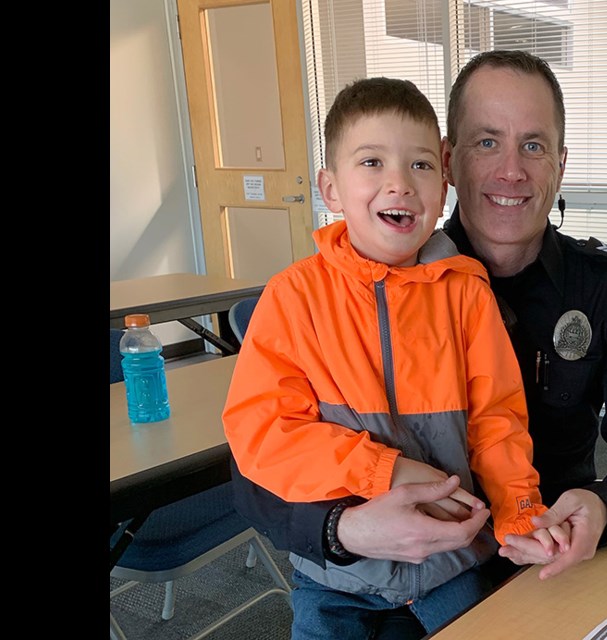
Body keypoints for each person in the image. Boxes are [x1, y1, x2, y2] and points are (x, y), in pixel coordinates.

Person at [229, 49, 607, 637]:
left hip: (536, 561)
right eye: (488, 142)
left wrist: (606, 506)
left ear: (560, 164)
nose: (512, 170)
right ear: (453, 161)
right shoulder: (316, 292)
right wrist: (344, 527)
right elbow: (258, 458)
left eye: (533, 146)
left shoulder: (602, 289)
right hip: (350, 570)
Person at [221, 76, 567, 640]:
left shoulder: (465, 292)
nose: (400, 184)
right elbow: (263, 432)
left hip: (454, 562)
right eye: (372, 162)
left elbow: (497, 421)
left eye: (421, 165)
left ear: (445, 181)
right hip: (336, 578)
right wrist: (385, 471)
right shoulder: (292, 296)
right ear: (330, 189)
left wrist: (520, 512)